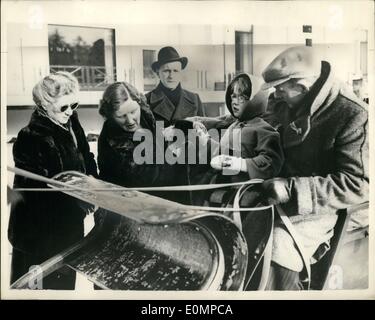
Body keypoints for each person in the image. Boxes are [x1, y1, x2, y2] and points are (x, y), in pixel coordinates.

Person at [260, 46, 369, 290]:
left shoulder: (352, 114)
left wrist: (292, 189)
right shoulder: (286, 101)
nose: (276, 96)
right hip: (272, 192)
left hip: (318, 207)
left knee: (278, 248)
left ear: (301, 86)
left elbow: (358, 184)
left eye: (280, 89)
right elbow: (264, 127)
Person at [8, 72, 98, 289]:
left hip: (68, 228)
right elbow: (38, 195)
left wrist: (95, 182)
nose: (70, 112)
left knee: (64, 286)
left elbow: (86, 156)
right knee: (38, 289)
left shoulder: (71, 121)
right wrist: (79, 199)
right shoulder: (30, 137)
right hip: (37, 236)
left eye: (74, 105)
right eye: (63, 107)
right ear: (44, 106)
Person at [146, 46, 205, 128]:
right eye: (166, 71)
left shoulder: (194, 99)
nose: (171, 76)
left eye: (175, 71)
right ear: (157, 73)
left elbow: (203, 134)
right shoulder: (147, 101)